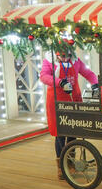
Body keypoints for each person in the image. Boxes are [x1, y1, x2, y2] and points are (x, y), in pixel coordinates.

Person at [40, 50, 98, 180]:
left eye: (67, 57)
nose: (65, 60)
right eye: (62, 57)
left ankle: (70, 162)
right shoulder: (49, 61)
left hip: (73, 100)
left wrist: (95, 83)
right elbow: (43, 76)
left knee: (72, 131)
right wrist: (60, 82)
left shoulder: (76, 61)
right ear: (57, 55)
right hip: (57, 101)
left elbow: (87, 73)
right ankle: (61, 166)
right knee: (60, 134)